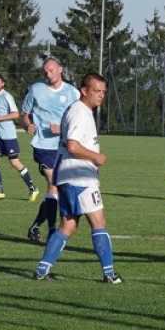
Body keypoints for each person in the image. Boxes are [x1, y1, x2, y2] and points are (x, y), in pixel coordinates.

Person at [34, 74, 121, 283]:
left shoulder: (79, 110)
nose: (101, 95)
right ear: (84, 91)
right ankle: (110, 275)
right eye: (96, 91)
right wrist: (96, 158)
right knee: (99, 222)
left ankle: (42, 270)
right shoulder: (80, 112)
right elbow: (73, 145)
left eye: (103, 92)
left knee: (69, 225)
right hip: (79, 176)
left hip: (68, 174)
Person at [22, 58, 80, 243]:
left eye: (52, 70)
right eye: (46, 71)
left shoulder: (73, 93)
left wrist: (62, 130)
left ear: (60, 69)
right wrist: (28, 124)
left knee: (57, 189)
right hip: (43, 146)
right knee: (54, 183)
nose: (48, 74)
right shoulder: (36, 89)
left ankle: (36, 226)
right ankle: (53, 230)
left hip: (64, 146)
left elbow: (79, 119)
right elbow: (25, 113)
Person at [0, 73, 38, 201]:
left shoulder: (7, 96)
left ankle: (33, 188)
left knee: (14, 162)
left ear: (3, 83)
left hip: (8, 136)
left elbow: (15, 114)